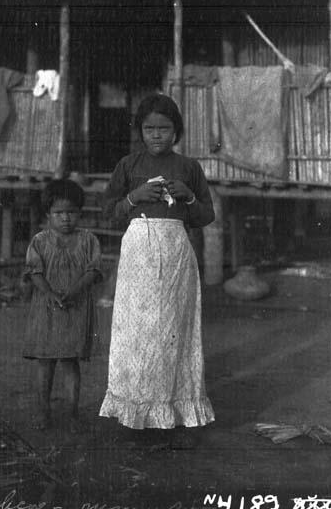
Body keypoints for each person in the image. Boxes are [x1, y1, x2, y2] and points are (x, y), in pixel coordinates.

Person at [99, 93, 215, 441]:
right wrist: (135, 198)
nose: (157, 135)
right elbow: (108, 210)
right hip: (138, 253)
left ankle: (171, 410)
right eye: (150, 128)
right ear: (140, 131)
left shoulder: (189, 168)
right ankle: (135, 410)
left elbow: (206, 216)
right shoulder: (128, 165)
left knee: (171, 330)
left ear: (176, 131)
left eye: (164, 129)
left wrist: (188, 196)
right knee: (138, 330)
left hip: (176, 252)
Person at [23, 179, 102, 431]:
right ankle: (43, 411)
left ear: (80, 212)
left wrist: (74, 291)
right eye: (58, 213)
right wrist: (51, 293)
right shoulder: (39, 240)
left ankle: (72, 413)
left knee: (70, 362)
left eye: (71, 212)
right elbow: (34, 272)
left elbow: (94, 270)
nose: (65, 218)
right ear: (48, 214)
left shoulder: (88, 240)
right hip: (47, 310)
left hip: (76, 309)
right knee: (45, 362)